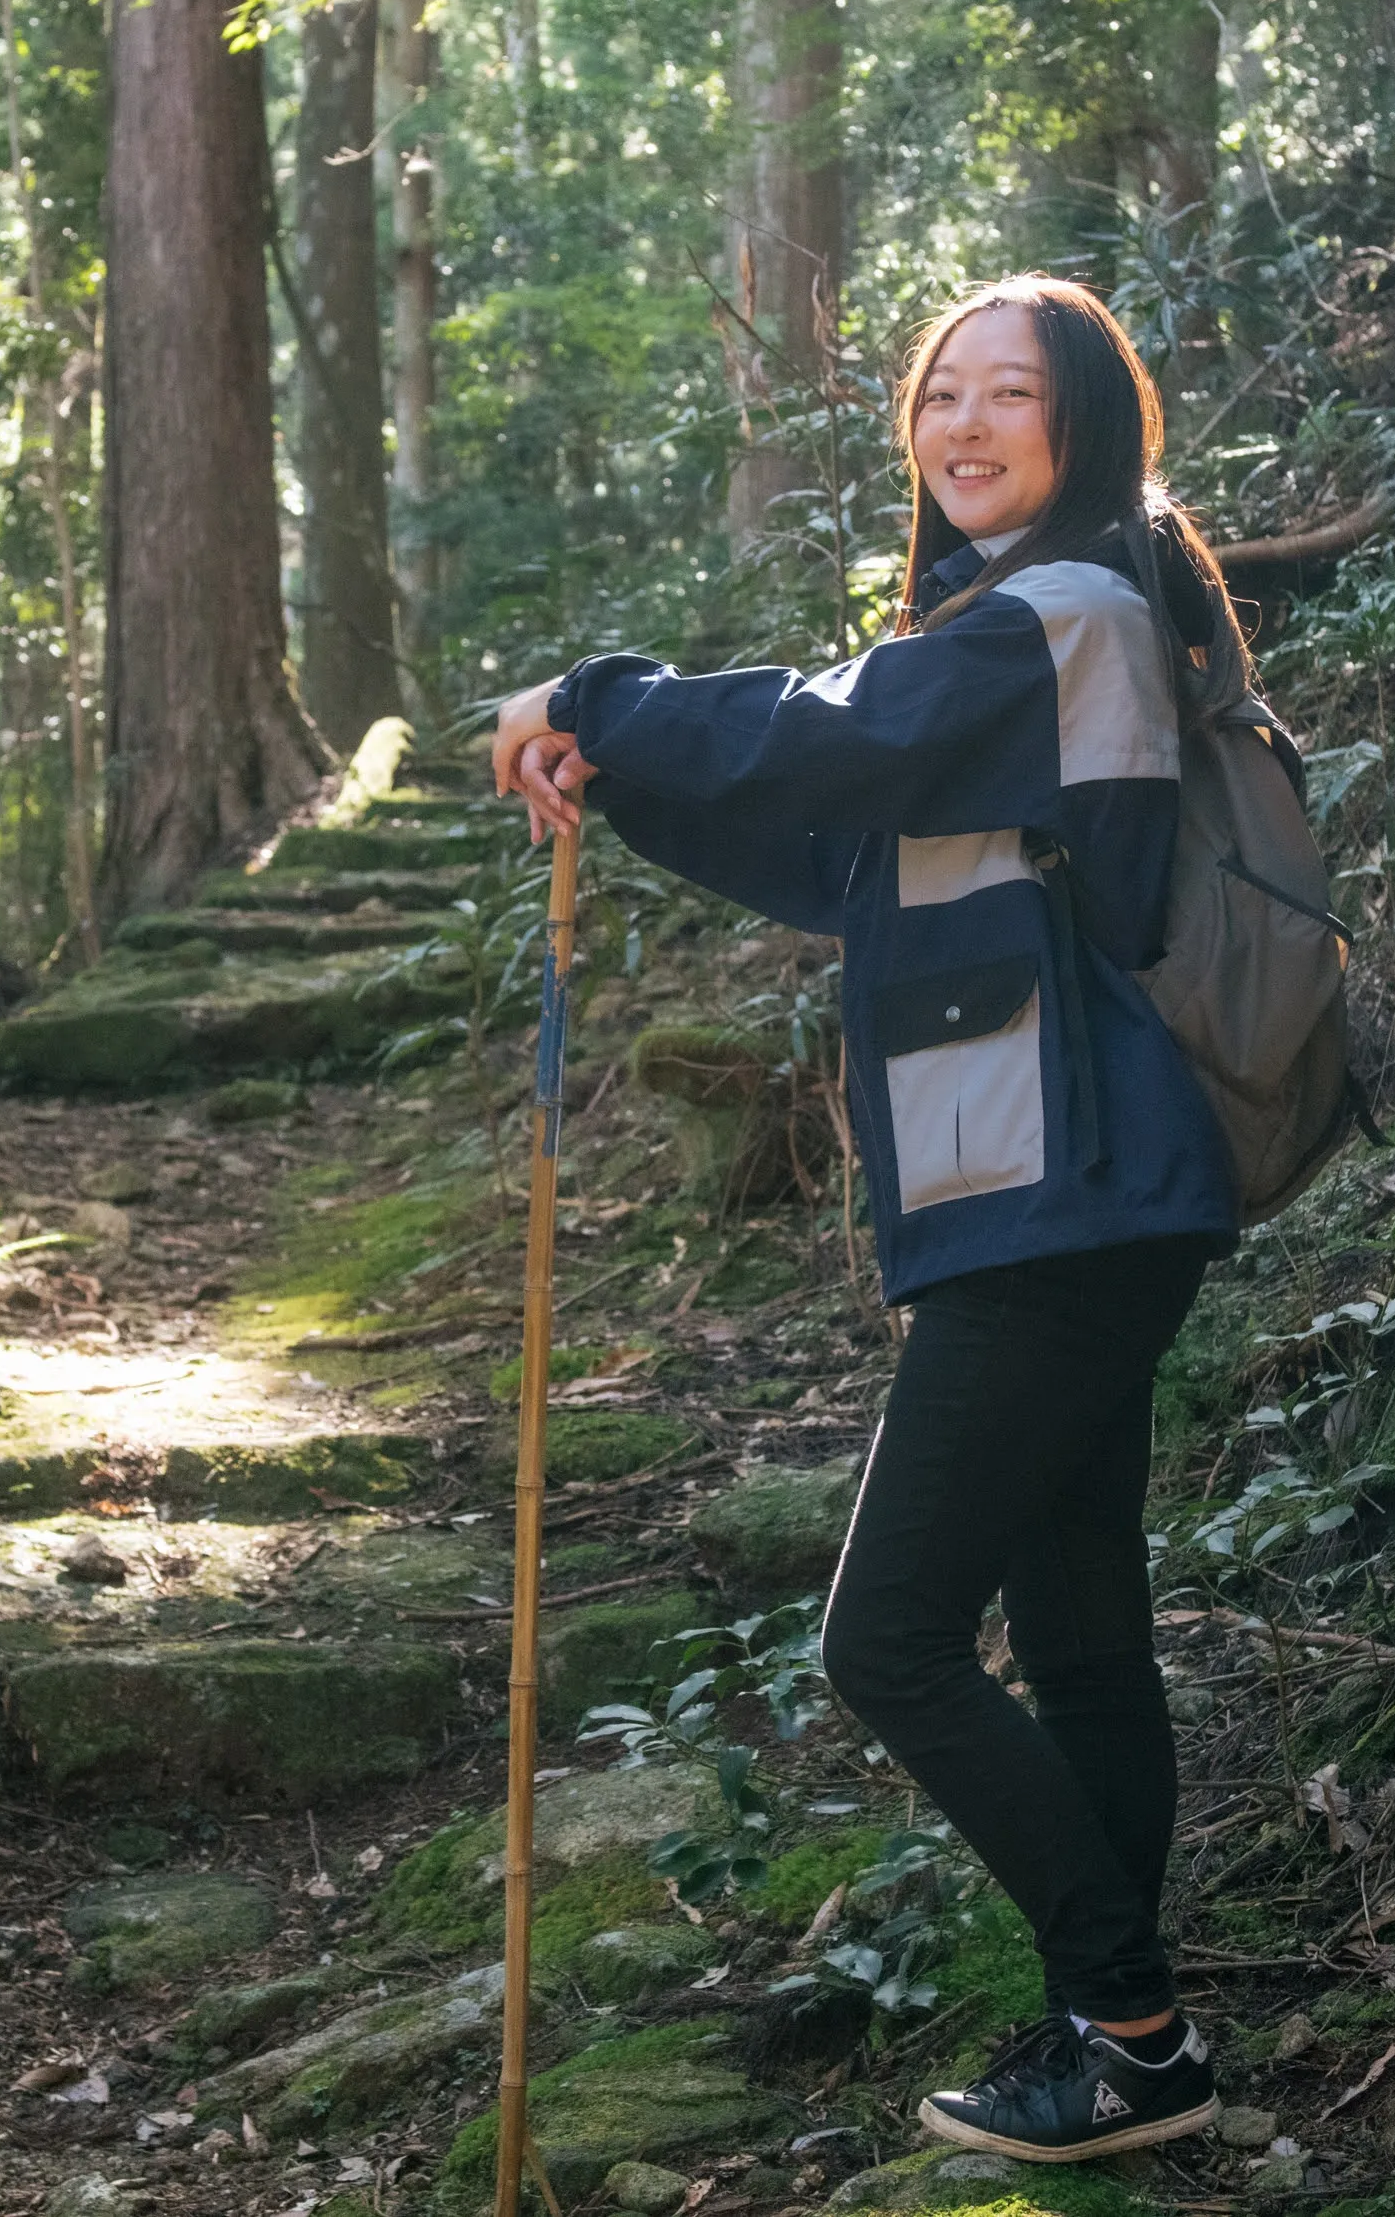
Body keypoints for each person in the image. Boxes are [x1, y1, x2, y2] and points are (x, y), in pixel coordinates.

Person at [486, 274, 1252, 2162]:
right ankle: (1113, 2042)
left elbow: (829, 735)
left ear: (1088, 427)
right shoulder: (1005, 639)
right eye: (940, 394)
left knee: (886, 1636)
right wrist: (624, 775)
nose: (963, 425)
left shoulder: (1062, 620)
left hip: (1068, 1195)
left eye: (1011, 395)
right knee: (1080, 1632)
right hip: (1067, 1192)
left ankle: (1134, 2025)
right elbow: (834, 843)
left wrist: (594, 698)